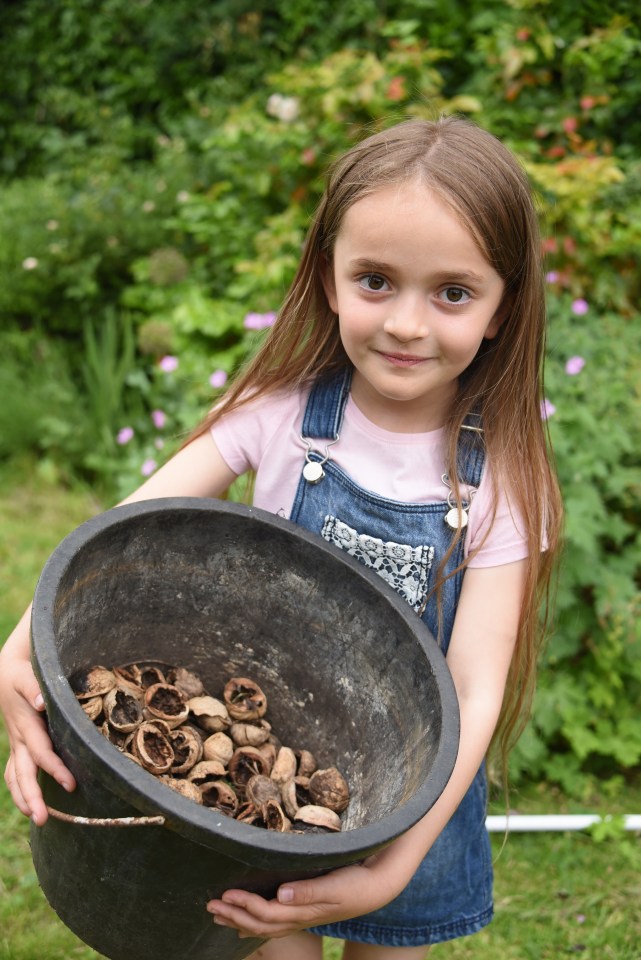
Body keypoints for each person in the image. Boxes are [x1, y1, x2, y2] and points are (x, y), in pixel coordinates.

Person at [0, 116, 562, 959]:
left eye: (451, 292)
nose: (407, 324)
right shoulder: (280, 418)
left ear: (499, 309)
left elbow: (474, 689)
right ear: (328, 280)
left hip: (415, 802)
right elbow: (112, 538)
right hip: (257, 797)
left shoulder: (501, 484)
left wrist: (392, 866)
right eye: (375, 280)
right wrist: (20, 650)